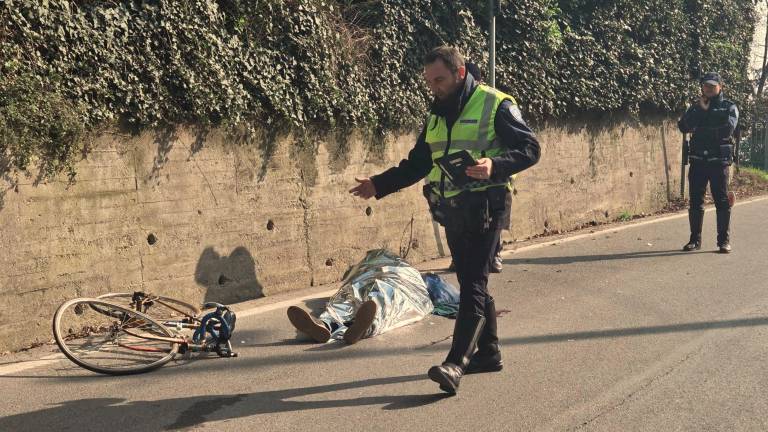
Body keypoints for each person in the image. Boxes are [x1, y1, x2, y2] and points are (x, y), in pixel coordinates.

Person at [349, 46, 540, 394]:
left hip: (488, 204)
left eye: (439, 80)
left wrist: (493, 166)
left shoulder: (495, 104)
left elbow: (530, 148)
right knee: (471, 279)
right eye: (429, 82)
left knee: (473, 285)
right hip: (453, 208)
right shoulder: (436, 114)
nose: (434, 88)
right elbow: (419, 163)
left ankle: (456, 363)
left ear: (460, 73)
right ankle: (489, 353)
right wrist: (378, 184)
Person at [287, 249, 434, 345]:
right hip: (393, 280)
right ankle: (363, 327)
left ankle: (327, 323)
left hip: (388, 279)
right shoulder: (405, 268)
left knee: (349, 296)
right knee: (383, 298)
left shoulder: (383, 261)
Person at [678, 72, 738, 253]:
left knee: (721, 201)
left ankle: (723, 241)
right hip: (698, 160)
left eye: (712, 85)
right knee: (696, 200)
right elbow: (684, 127)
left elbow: (727, 129)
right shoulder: (695, 107)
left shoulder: (729, 107)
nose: (709, 89)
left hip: (718, 161)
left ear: (720, 87)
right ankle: (694, 240)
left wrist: (705, 119)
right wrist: (700, 111)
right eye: (706, 85)